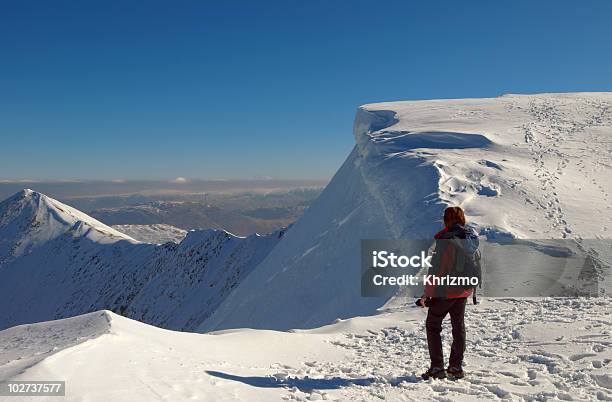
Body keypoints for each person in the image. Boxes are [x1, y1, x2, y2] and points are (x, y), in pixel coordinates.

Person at [418, 206, 480, 380]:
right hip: (464, 290)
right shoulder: (470, 239)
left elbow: (438, 269)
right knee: (458, 327)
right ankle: (456, 368)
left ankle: (437, 368)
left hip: (446, 290)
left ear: (447, 220)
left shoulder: (447, 240)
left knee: (433, 326)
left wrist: (427, 294)